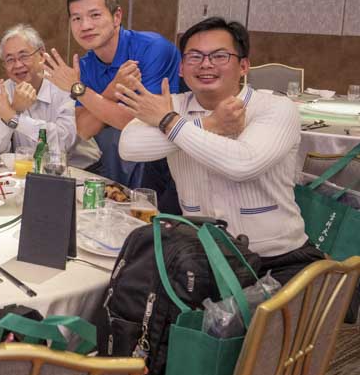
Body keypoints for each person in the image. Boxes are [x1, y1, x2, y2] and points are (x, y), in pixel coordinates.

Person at [118, 17, 322, 283]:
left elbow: (243, 164)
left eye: (219, 56)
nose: (206, 64)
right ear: (181, 68)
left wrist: (169, 123)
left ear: (244, 66)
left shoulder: (276, 108)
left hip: (277, 260)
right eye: (195, 56)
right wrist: (210, 124)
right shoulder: (173, 106)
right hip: (204, 259)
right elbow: (129, 146)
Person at [43, 0, 181, 207]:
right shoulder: (86, 65)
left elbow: (140, 122)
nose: (85, 26)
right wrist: (112, 90)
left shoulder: (152, 48)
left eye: (95, 15)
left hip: (168, 161)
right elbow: (84, 129)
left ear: (117, 17)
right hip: (117, 164)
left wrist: (78, 89)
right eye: (76, 18)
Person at [0, 24, 76, 157]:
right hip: (24, 167)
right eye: (10, 60)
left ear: (42, 55)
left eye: (24, 56)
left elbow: (63, 143)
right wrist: (15, 109)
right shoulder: (5, 90)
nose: (18, 65)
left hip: (76, 166)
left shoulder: (64, 87)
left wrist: (12, 116)